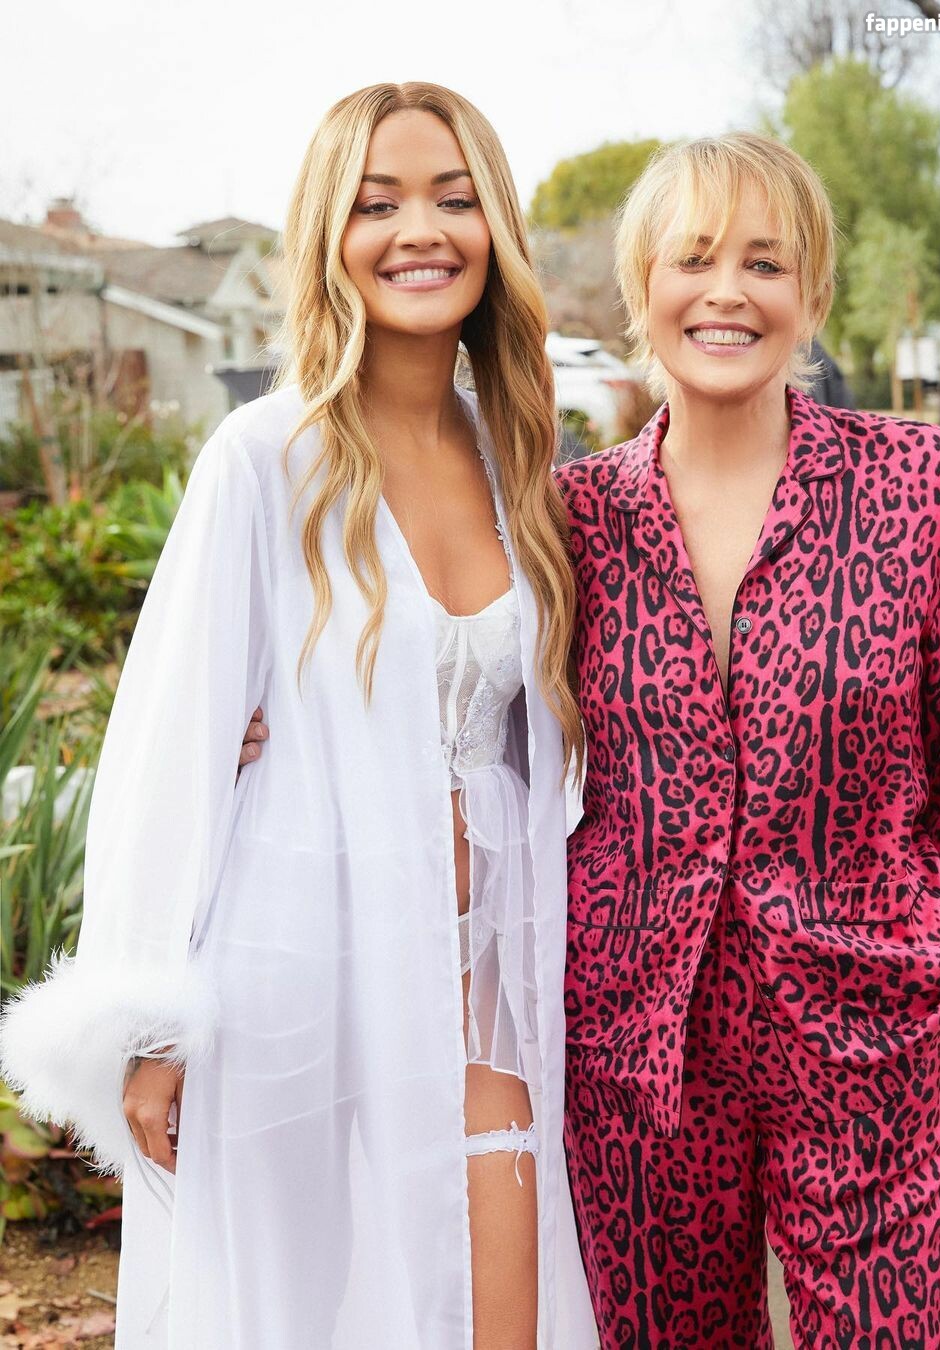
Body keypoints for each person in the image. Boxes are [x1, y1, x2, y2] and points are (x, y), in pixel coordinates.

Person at [0, 83, 597, 1350]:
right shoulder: (264, 459)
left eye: (452, 198)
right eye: (379, 203)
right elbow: (169, 751)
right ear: (331, 233)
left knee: (510, 1306)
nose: (419, 230)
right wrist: (154, 1027)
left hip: (489, 982)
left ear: (494, 227)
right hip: (297, 975)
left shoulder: (519, 460)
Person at [553, 134, 940, 1348]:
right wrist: (271, 726)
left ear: (811, 294)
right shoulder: (573, 520)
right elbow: (472, 715)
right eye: (695, 258)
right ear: (641, 285)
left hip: (866, 1028)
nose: (728, 292)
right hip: (639, 1046)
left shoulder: (919, 485)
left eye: (765, 262)